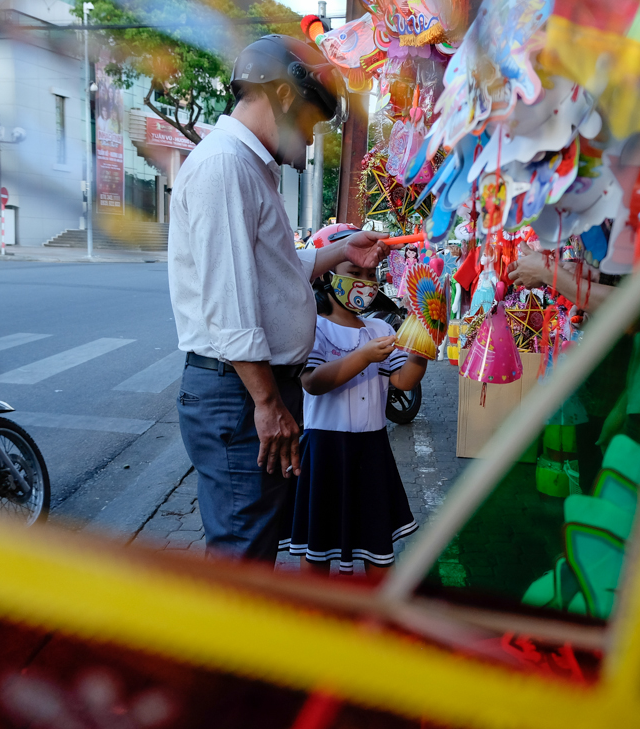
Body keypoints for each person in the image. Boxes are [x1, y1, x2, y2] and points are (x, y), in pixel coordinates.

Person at [168, 34, 388, 564]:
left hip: (251, 390)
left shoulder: (247, 167)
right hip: (241, 394)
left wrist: (340, 253)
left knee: (254, 546)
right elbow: (230, 307)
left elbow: (276, 273)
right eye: (313, 123)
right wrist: (268, 405)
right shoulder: (226, 168)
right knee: (243, 554)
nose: (311, 142)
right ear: (287, 97)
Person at [283, 253, 427, 580]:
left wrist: (421, 348)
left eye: (371, 273)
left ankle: (377, 618)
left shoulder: (378, 327)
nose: (364, 280)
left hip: (373, 449)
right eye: (354, 271)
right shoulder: (315, 326)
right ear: (327, 276)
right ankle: (314, 616)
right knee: (316, 543)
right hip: (324, 450)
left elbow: (403, 380)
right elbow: (313, 381)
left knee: (377, 541)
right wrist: (363, 356)